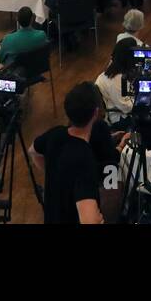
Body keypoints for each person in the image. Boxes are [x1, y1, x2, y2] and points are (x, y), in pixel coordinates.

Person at [31, 82, 107, 224]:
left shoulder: (55, 134)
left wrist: (54, 173)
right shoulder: (85, 158)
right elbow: (89, 220)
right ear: (95, 113)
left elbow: (33, 151)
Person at [95, 42, 135, 125]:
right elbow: (126, 107)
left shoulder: (115, 68)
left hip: (121, 107)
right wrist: (140, 99)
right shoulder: (116, 79)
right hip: (119, 117)